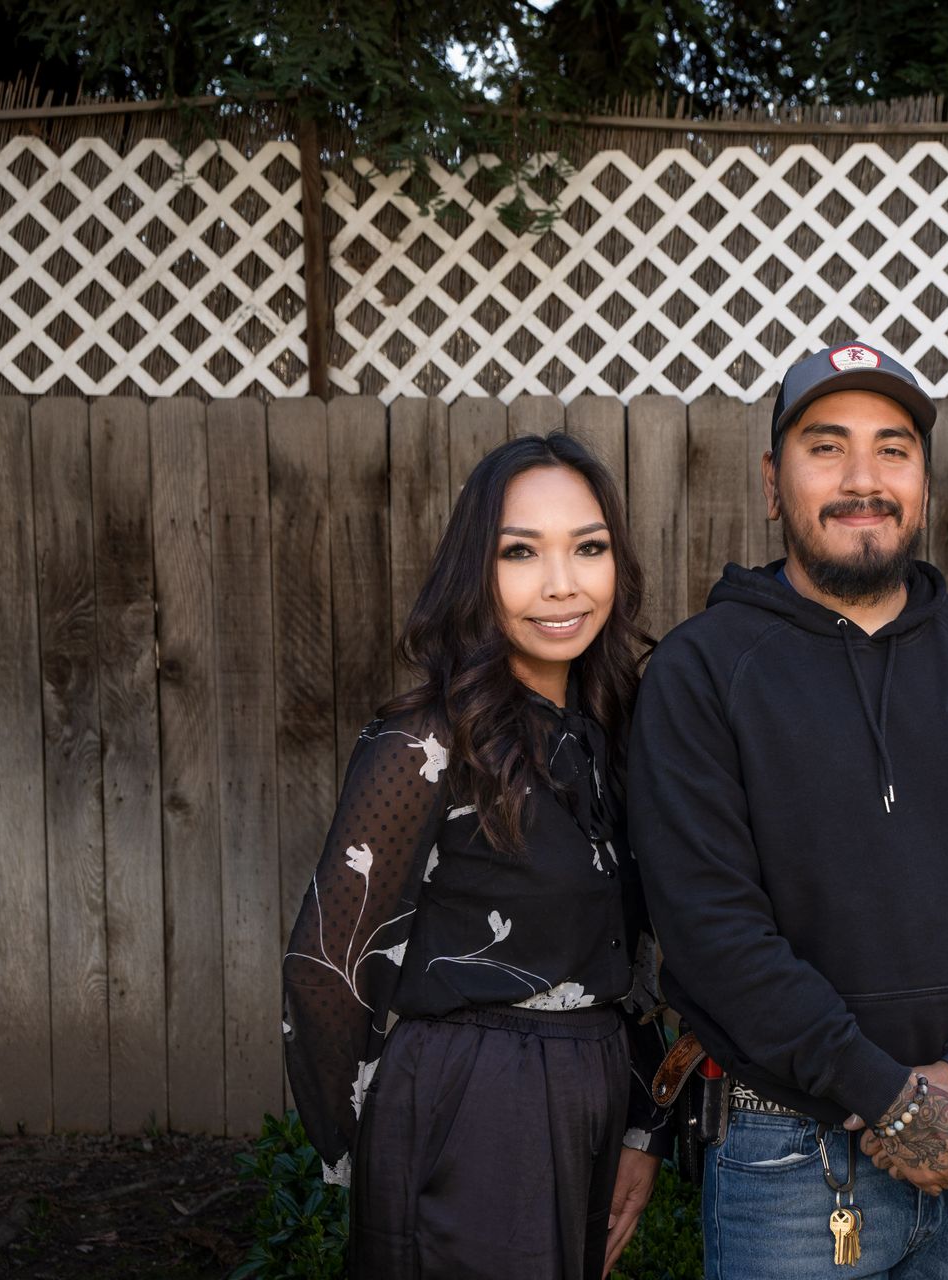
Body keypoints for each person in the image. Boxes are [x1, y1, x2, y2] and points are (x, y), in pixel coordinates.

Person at [627, 341, 948, 1279]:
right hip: (784, 1162)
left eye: (892, 449)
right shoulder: (702, 672)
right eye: (826, 447)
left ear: (923, 480)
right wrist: (889, 1098)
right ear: (772, 480)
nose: (863, 480)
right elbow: (712, 929)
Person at [281, 433, 671, 1279]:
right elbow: (324, 967)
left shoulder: (614, 734)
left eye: (589, 548)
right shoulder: (428, 737)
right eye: (521, 552)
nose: (561, 583)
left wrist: (642, 1122)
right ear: (474, 571)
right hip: (473, 1099)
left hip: (589, 1089)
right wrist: (374, 1143)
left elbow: (629, 956)